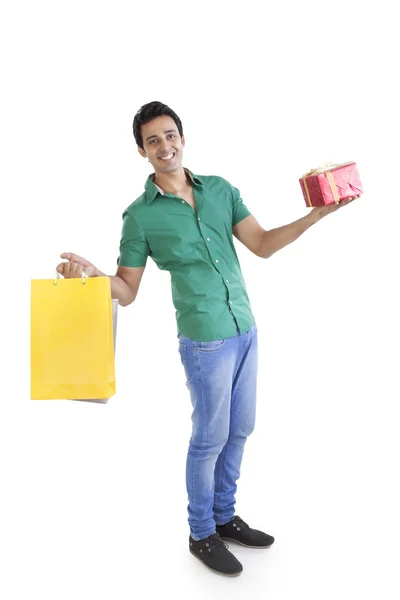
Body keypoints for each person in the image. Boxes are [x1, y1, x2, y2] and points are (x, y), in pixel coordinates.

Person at [56, 101, 360, 577]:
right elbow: (127, 291)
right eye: (153, 140)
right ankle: (201, 534)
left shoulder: (220, 190)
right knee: (209, 439)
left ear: (182, 138)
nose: (165, 145)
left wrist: (316, 215)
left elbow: (260, 244)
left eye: (170, 134)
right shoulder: (139, 216)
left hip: (245, 329)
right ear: (141, 151)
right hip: (205, 342)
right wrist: (94, 275)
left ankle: (224, 516)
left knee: (241, 429)